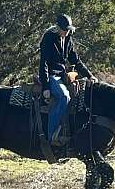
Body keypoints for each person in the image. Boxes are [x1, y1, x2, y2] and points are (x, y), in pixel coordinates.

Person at [39, 14, 97, 145]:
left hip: (63, 75)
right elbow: (44, 64)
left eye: (69, 29)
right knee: (64, 96)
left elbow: (75, 60)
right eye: (65, 29)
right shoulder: (48, 38)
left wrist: (89, 75)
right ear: (57, 27)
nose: (67, 32)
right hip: (51, 75)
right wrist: (46, 87)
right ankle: (51, 135)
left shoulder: (68, 38)